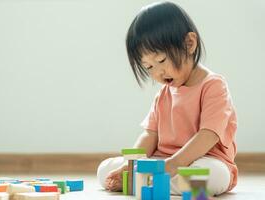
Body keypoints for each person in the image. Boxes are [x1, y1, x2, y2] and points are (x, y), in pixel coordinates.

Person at [97, 1, 237, 196]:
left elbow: (208, 134)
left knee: (213, 175)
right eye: (149, 67)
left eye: (161, 60)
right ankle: (152, 182)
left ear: (189, 44)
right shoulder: (164, 93)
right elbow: (150, 135)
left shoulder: (213, 86)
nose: (158, 73)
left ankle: (147, 184)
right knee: (105, 169)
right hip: (163, 162)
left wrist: (175, 164)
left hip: (202, 160)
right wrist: (131, 164)